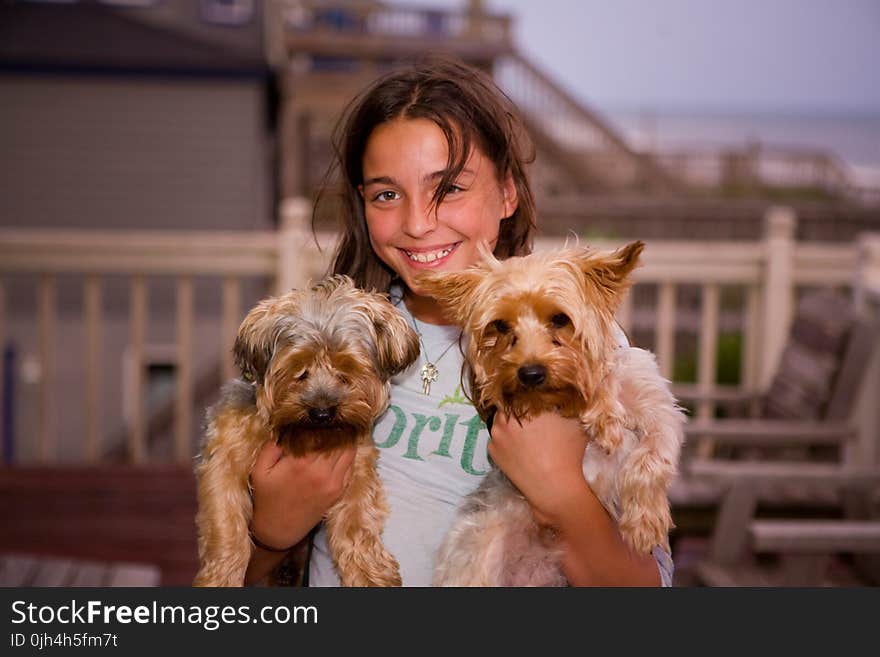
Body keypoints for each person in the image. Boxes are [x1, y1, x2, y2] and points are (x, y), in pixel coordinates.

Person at [244, 56, 674, 587]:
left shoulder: (580, 352)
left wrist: (561, 491)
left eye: (448, 188)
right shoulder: (332, 350)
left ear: (509, 193)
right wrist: (269, 535)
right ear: (361, 204)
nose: (418, 223)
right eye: (386, 194)